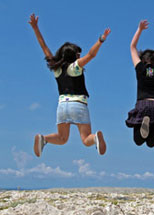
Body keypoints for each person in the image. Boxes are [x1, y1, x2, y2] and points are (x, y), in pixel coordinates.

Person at [28, 13, 111, 157]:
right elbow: (91, 54)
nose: (80, 56)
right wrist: (101, 40)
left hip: (62, 107)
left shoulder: (56, 68)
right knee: (86, 139)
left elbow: (44, 47)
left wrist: (35, 28)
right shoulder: (75, 67)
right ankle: (95, 138)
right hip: (78, 104)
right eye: (78, 54)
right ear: (73, 56)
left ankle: (44, 138)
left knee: (62, 139)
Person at [125, 20, 154, 148]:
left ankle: (149, 121)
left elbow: (132, 47)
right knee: (151, 144)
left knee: (138, 141)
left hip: (142, 104)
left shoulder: (140, 68)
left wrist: (139, 29)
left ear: (142, 59)